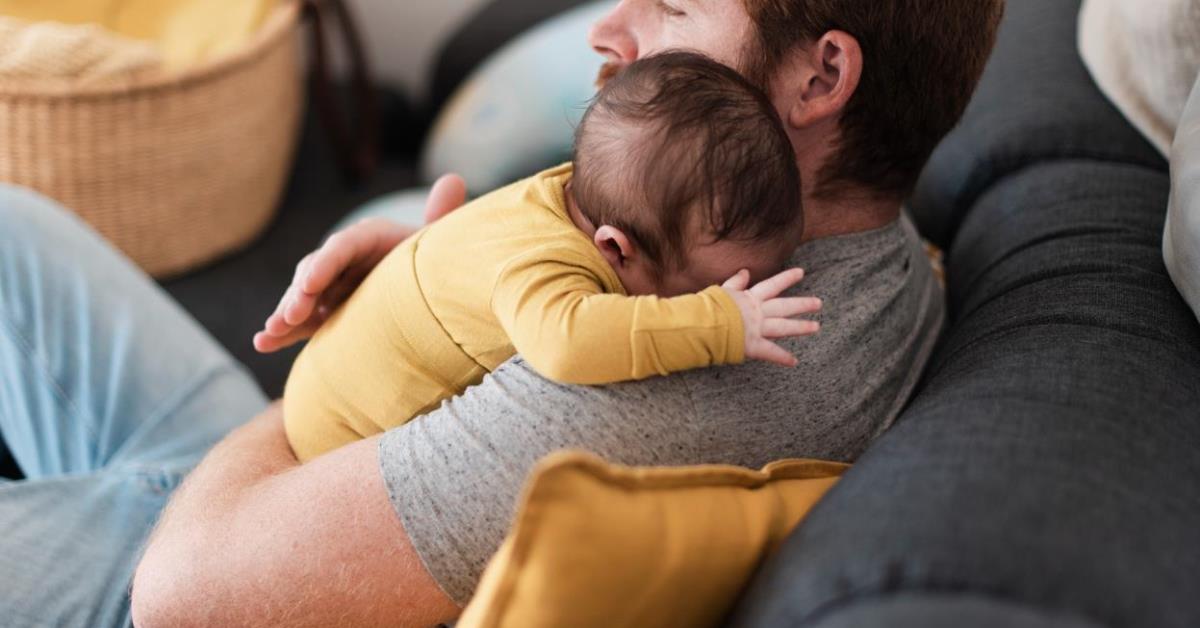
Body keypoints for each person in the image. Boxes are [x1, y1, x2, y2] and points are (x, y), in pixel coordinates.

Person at [0, 1, 1004, 627]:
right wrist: (431, 283)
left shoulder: (690, 367)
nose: (612, 32)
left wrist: (378, 337)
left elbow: (185, 597)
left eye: (672, 7)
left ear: (820, 77)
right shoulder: (856, 247)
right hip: (317, 485)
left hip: (214, 549)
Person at [284, 52, 821, 462]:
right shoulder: (549, 268)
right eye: (710, 287)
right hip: (335, 432)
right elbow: (569, 343)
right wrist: (721, 322)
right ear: (614, 247)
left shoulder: (569, 191)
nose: (736, 295)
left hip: (328, 368)